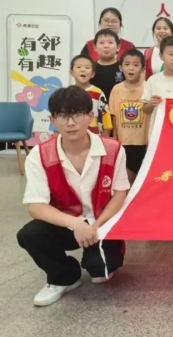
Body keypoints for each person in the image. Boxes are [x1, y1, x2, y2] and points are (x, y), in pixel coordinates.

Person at [16, 86, 129, 307]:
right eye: (63, 116)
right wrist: (76, 224)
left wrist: (96, 225)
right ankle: (64, 277)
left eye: (77, 114)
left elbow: (120, 193)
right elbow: (36, 207)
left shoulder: (113, 149)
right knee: (30, 234)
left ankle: (98, 256)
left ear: (90, 116)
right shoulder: (40, 155)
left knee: (100, 273)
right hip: (66, 222)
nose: (70, 123)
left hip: (101, 221)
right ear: (52, 120)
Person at [109, 49, 148, 182]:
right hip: (124, 143)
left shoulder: (148, 87)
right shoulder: (116, 89)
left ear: (143, 69)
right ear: (121, 67)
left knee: (141, 182)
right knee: (126, 181)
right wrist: (115, 143)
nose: (131, 68)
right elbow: (114, 118)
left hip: (144, 143)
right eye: (127, 64)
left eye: (136, 65)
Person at [50, 55, 112, 137]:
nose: (83, 70)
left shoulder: (98, 93)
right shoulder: (66, 94)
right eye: (78, 67)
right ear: (71, 72)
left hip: (94, 137)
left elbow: (106, 117)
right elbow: (59, 116)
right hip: (70, 137)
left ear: (92, 74)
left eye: (87, 67)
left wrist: (105, 138)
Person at [91, 29, 123, 101]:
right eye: (101, 43)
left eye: (110, 42)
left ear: (118, 47)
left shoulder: (123, 68)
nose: (106, 46)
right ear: (95, 47)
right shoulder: (90, 68)